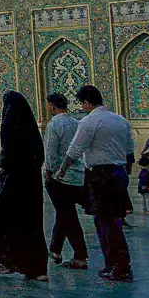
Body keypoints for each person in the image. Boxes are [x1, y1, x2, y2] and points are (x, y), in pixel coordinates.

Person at [57, 84, 134, 283]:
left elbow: (75, 150)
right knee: (113, 220)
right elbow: (129, 150)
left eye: (82, 103)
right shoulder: (120, 120)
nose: (82, 107)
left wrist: (62, 169)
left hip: (101, 176)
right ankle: (116, 265)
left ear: (87, 102)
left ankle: (119, 268)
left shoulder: (89, 122)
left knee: (106, 222)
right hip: (119, 172)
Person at [0, 91, 49, 282]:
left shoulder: (11, 128)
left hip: (13, 184)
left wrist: (2, 160)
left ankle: (8, 261)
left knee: (2, 222)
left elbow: (8, 155)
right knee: (30, 226)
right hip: (31, 186)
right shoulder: (31, 132)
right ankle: (36, 268)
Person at [42, 92, 89, 270]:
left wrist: (48, 172)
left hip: (59, 178)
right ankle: (55, 250)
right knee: (64, 213)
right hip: (78, 175)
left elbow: (51, 153)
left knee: (68, 216)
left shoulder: (54, 125)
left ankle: (80, 256)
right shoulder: (76, 122)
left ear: (52, 105)